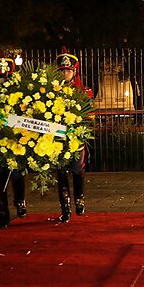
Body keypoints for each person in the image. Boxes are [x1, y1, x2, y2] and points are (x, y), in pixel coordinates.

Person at [0, 56, 27, 228]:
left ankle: (20, 201)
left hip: (14, 141)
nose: (2, 80)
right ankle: (2, 215)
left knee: (17, 174)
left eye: (5, 77)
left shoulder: (18, 97)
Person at [56, 50, 93, 222]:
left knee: (77, 170)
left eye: (68, 70)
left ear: (74, 72)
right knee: (61, 172)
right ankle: (65, 207)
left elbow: (89, 115)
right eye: (62, 70)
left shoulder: (84, 91)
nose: (65, 74)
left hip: (76, 138)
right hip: (57, 140)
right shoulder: (51, 92)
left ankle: (79, 200)